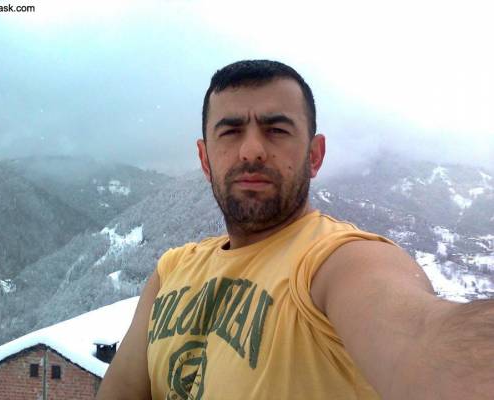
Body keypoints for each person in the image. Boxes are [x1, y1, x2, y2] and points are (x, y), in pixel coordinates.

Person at [96, 60, 494, 400]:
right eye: (230, 131)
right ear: (204, 159)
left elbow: (422, 336)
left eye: (277, 130)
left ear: (314, 155)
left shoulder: (338, 261)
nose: (252, 150)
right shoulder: (170, 272)